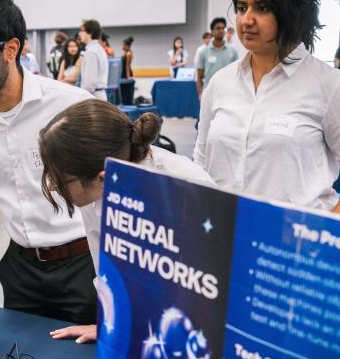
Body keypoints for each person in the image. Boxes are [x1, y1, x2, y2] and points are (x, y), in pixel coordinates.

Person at [0, 0, 96, 324]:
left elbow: (117, 190)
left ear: (11, 48)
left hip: (86, 267)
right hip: (20, 271)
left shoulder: (72, 105)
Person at [194, 0, 340, 216]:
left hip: (290, 244)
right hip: (223, 234)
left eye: (262, 8)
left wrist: (325, 238)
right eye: (242, 8)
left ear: (292, 14)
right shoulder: (220, 83)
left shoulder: (331, 86)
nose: (247, 20)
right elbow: (201, 159)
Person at [38, 100, 215, 343]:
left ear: (102, 177)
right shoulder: (95, 191)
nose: (51, 185)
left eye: (60, 180)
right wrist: (110, 323)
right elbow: (108, 272)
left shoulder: (188, 188)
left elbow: (208, 288)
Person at [195, 17, 238, 96]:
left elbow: (237, 74)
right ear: (212, 32)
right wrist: (200, 94)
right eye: (217, 28)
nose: (221, 30)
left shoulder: (233, 51)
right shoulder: (204, 52)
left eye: (223, 28)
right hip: (209, 92)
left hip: (228, 92)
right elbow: (199, 76)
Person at [79, 19, 109, 100]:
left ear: (90, 33)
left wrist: (80, 97)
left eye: (82, 31)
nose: (79, 33)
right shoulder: (98, 49)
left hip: (93, 95)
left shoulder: (91, 52)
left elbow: (90, 83)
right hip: (98, 94)